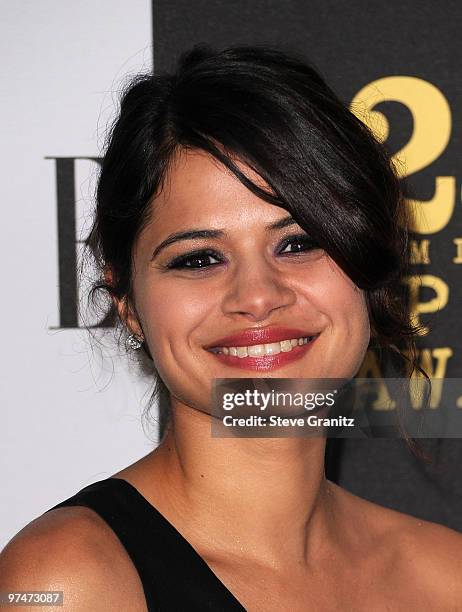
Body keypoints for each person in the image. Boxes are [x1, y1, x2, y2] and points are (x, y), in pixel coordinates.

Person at [1, 44, 461, 611]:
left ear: (367, 268)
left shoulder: (447, 576)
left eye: (299, 243)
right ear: (126, 301)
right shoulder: (70, 581)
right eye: (198, 258)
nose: (259, 296)